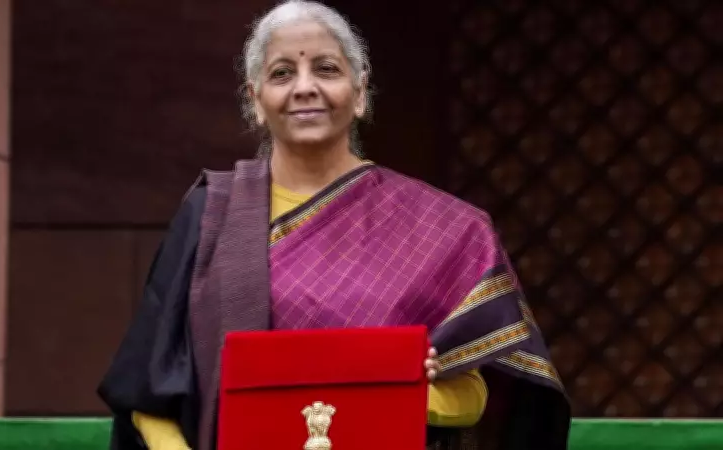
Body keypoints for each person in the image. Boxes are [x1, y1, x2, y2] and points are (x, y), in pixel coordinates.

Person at [97, 1, 571, 449]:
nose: (305, 87)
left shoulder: (447, 230)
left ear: (360, 92)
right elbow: (146, 390)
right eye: (282, 73)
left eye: (326, 69)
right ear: (256, 100)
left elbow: (481, 395)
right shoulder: (211, 215)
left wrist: (398, 387)